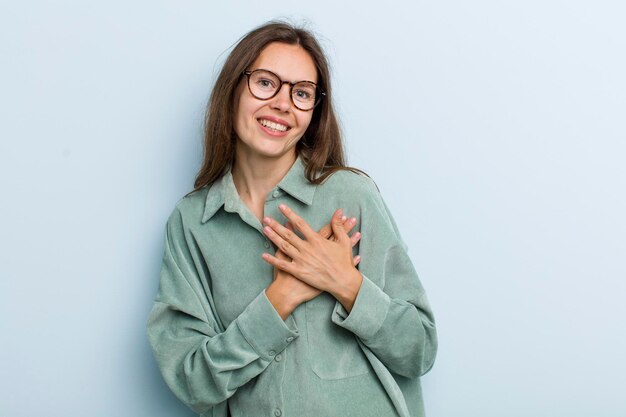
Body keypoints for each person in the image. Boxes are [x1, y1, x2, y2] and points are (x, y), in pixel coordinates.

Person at [147, 21, 437, 417]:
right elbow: (192, 380)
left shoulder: (351, 196)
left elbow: (418, 350)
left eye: (301, 93)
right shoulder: (191, 223)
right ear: (233, 90)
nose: (283, 104)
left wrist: (346, 284)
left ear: (313, 112)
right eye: (266, 83)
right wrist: (279, 299)